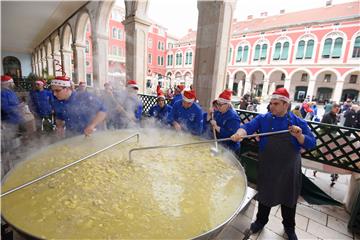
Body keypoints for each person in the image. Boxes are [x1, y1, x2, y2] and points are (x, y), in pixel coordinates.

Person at [231, 88, 316, 240]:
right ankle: (260, 221)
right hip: (268, 166)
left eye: (275, 104)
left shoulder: (297, 122)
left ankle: (289, 228)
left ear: (286, 105)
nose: (271, 106)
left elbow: (312, 143)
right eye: (271, 103)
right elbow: (247, 127)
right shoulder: (264, 119)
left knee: (288, 199)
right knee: (265, 196)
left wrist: (299, 136)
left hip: (289, 169)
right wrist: (239, 134)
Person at [1, 75, 24, 176]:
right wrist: (17, 107)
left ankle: (16, 162)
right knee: (8, 147)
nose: (13, 84)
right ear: (7, 83)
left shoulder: (11, 92)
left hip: (16, 121)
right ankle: (8, 170)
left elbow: (15, 104)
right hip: (8, 123)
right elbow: (5, 108)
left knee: (16, 143)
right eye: (12, 82)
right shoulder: (2, 94)